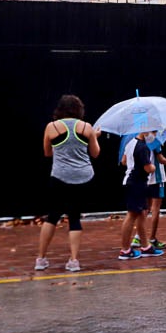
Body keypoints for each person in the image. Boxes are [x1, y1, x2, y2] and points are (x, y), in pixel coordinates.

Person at [35, 94, 100, 272]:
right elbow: (95, 153)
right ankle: (73, 261)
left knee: (52, 216)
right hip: (82, 177)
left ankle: (41, 259)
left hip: (59, 177)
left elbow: (47, 153)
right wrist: (94, 136)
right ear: (79, 110)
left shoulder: (52, 127)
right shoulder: (87, 127)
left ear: (60, 109)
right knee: (74, 217)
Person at [118, 129, 161, 260]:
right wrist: (153, 166)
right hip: (136, 183)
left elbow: (124, 161)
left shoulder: (130, 142)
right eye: (153, 132)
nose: (154, 135)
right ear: (146, 131)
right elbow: (148, 168)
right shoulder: (142, 147)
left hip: (136, 183)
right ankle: (125, 250)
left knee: (142, 214)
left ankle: (146, 246)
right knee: (131, 215)